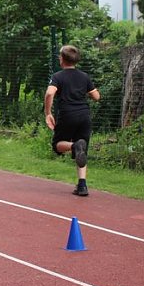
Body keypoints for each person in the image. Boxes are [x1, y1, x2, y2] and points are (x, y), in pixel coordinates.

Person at [44, 45, 101, 197]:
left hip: (67, 114)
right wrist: (86, 90)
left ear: (62, 59)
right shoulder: (84, 76)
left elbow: (50, 93)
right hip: (84, 115)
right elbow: (97, 97)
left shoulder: (58, 76)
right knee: (83, 149)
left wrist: (48, 113)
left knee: (58, 145)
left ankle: (75, 146)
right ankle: (82, 185)